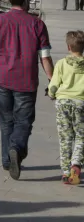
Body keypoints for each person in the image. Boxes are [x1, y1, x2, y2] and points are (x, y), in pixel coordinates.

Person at [0, 0, 54, 180]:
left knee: (5, 120)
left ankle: (7, 161)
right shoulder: (37, 24)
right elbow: (45, 58)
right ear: (26, 2)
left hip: (0, 77)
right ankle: (16, 148)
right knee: (24, 120)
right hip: (26, 79)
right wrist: (52, 80)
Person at [47, 30, 84, 185]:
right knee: (81, 136)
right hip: (80, 103)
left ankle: (65, 172)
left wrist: (51, 93)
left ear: (69, 47)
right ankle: (76, 163)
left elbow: (54, 84)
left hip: (63, 103)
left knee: (65, 138)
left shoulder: (62, 63)